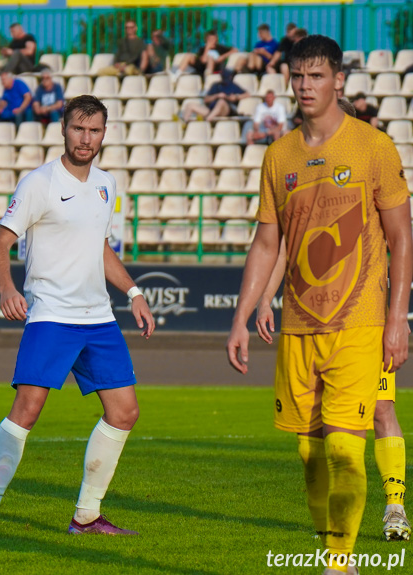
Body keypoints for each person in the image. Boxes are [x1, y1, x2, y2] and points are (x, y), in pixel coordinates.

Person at [225, 35, 412, 574]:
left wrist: (397, 319)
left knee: (346, 449)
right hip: (298, 325)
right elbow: (267, 242)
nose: (306, 86)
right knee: (310, 456)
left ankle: (339, 564)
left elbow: (403, 237)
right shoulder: (278, 154)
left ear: (338, 81)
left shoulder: (373, 147)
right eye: (298, 76)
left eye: (317, 76)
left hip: (360, 322)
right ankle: (335, 551)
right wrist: (241, 316)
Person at [0, 95, 155, 541]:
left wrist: (134, 292)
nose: (85, 139)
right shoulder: (39, 183)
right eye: (78, 129)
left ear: (103, 134)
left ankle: (86, 516)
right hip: (50, 315)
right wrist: (8, 289)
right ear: (64, 131)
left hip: (99, 318)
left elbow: (100, 248)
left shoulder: (107, 184)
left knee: (125, 412)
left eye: (94, 131)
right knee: (27, 410)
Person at [256, 234, 411, 543]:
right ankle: (333, 521)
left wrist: (397, 314)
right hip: (313, 324)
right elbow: (283, 248)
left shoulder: (369, 187)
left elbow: (399, 242)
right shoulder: (303, 192)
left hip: (366, 322)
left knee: (381, 409)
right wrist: (264, 301)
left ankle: (395, 507)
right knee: (313, 423)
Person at [180, 68, 248, 122]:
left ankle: (207, 121)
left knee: (221, 102)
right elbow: (206, 100)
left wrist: (236, 97)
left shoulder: (233, 86)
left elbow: (247, 94)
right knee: (190, 105)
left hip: (226, 111)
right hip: (211, 110)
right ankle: (184, 124)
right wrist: (217, 96)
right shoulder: (216, 85)